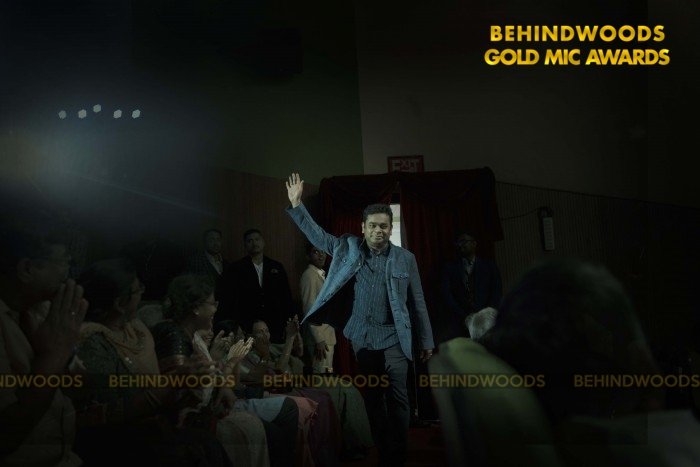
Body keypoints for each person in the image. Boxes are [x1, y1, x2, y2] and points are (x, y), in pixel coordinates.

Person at [284, 172, 435, 466]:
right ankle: (384, 452)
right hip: (363, 338)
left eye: (384, 226)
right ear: (362, 228)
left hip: (395, 337)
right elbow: (319, 237)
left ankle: (398, 456)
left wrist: (426, 340)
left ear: (390, 229)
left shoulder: (405, 259)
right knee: (374, 398)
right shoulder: (347, 247)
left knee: (399, 399)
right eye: (373, 226)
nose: (379, 231)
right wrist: (297, 204)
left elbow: (418, 302)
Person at [0, 212, 87, 467]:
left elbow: (81, 390)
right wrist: (53, 355)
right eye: (64, 261)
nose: (68, 272)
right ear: (27, 269)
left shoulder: (42, 310)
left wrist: (67, 353)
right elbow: (5, 435)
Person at [217, 229, 293, 341]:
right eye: (250, 241)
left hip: (275, 322)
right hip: (248, 323)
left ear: (263, 242)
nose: (254, 243)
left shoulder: (276, 266)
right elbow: (230, 299)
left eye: (257, 239)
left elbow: (286, 296)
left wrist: (288, 321)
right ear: (245, 245)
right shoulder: (236, 268)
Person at [440, 231, 502, 340]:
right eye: (458, 242)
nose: (460, 245)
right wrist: (463, 316)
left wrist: (486, 314)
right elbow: (447, 295)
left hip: (486, 321)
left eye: (464, 241)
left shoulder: (489, 267)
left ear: (474, 243)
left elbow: (496, 292)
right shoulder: (450, 268)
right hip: (459, 322)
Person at [299, 243, 336, 374]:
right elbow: (309, 308)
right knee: (321, 376)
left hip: (326, 335)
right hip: (320, 338)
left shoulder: (319, 274)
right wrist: (318, 338)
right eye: (316, 252)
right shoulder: (309, 275)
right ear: (308, 256)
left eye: (323, 251)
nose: (321, 255)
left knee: (326, 374)